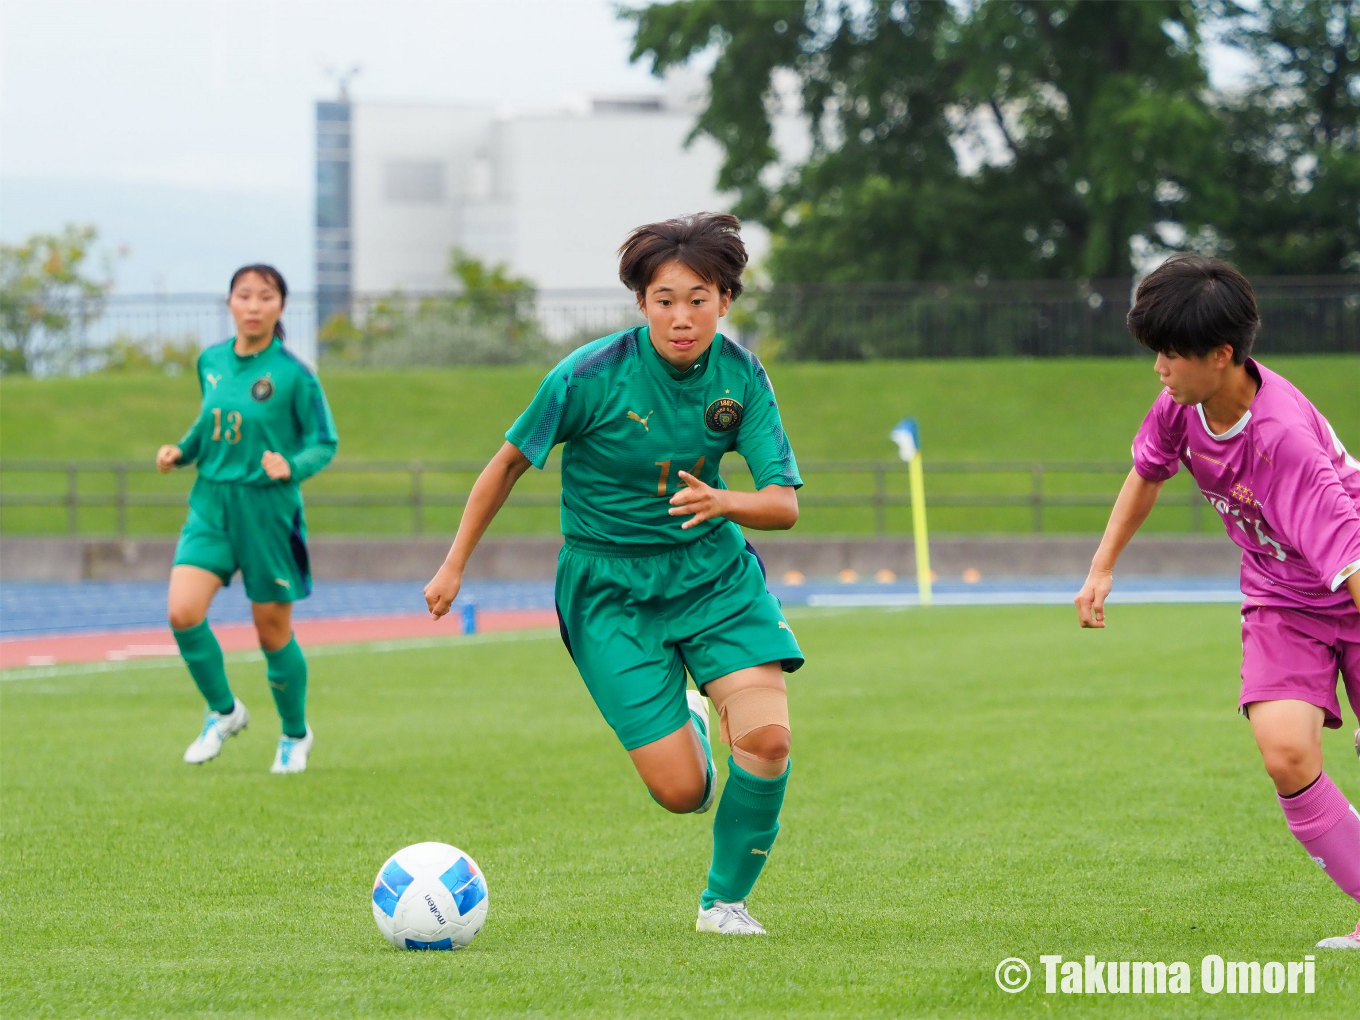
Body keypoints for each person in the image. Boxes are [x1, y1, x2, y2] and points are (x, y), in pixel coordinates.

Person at [424, 213, 803, 934]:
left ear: (726, 300)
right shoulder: (589, 376)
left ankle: (723, 904)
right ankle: (687, 724)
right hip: (608, 592)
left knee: (767, 738)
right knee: (682, 792)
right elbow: (506, 465)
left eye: (699, 298)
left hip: (712, 576)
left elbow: (782, 504)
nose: (682, 317)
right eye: (665, 299)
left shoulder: (742, 377)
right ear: (641, 304)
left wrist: (725, 501)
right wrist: (453, 566)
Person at [1074, 254, 1360, 949]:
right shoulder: (1183, 405)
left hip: (1349, 589)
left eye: (1171, 355)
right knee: (1287, 753)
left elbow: (1351, 561)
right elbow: (1147, 473)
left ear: (1222, 355)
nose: (1159, 369)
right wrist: (1101, 567)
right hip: (1280, 597)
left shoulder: (1281, 441)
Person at [157, 264, 338, 774]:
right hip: (210, 505)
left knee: (271, 632)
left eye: (265, 296)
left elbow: (325, 442)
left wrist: (291, 466)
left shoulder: (295, 374)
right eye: (244, 296)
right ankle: (224, 711)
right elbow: (211, 419)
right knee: (182, 612)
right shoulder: (210, 361)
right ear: (230, 303)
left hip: (267, 511)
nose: (254, 305)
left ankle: (295, 735)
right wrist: (182, 450)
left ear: (281, 306)